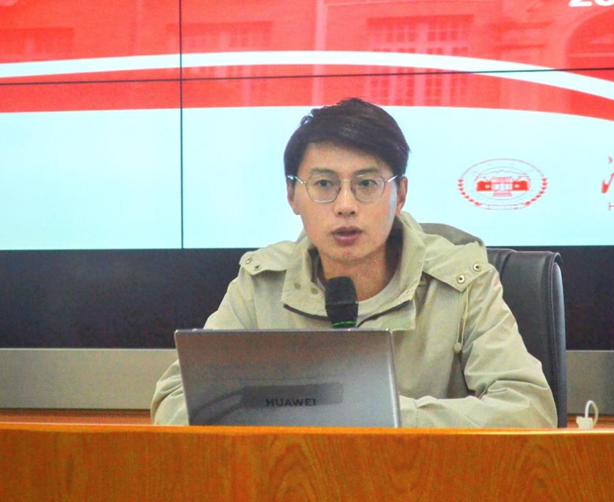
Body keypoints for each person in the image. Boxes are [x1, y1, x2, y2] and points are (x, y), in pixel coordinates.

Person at [151, 98, 557, 428]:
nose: (345, 205)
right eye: (324, 184)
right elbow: (174, 402)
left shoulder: (463, 281)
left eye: (366, 184)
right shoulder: (261, 284)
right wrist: (298, 418)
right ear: (292, 196)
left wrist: (387, 417)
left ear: (400, 195)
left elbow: (529, 409)